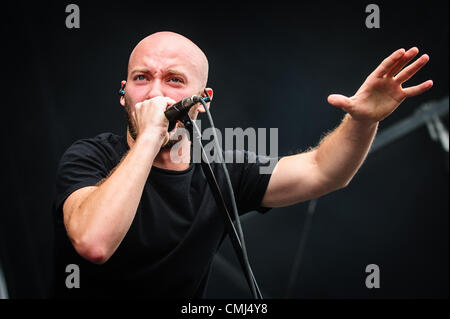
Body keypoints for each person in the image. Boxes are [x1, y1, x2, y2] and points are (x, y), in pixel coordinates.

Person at [54, 31, 433, 298]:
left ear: (202, 100)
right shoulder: (88, 158)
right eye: (142, 78)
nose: (155, 92)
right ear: (124, 94)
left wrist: (363, 120)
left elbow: (323, 171)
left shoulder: (220, 169)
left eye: (173, 80)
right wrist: (150, 138)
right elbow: (94, 243)